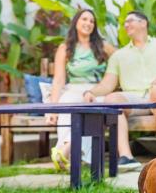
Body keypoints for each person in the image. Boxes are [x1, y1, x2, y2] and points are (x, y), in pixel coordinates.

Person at [83, 11, 156, 171]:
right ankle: (126, 157)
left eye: (130, 21)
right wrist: (91, 92)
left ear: (143, 23)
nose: (126, 25)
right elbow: (107, 84)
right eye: (124, 23)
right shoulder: (119, 55)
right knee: (111, 100)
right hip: (136, 101)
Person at [46, 9, 115, 170]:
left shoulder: (103, 46)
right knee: (66, 105)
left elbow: (121, 61)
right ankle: (67, 152)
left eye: (92, 21)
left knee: (91, 110)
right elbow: (59, 80)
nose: (88, 23)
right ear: (76, 22)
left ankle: (65, 150)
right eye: (84, 19)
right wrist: (53, 109)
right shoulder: (65, 48)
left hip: (97, 90)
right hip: (73, 89)